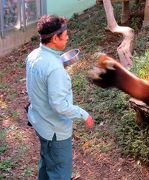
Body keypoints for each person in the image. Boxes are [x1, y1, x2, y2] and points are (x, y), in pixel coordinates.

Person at [25, 15, 94, 180]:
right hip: (55, 131)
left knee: (46, 163)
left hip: (40, 122)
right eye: (65, 35)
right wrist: (84, 114)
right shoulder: (54, 69)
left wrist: (58, 64)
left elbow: (38, 83)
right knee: (60, 173)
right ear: (55, 38)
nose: (68, 37)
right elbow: (59, 106)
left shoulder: (33, 55)